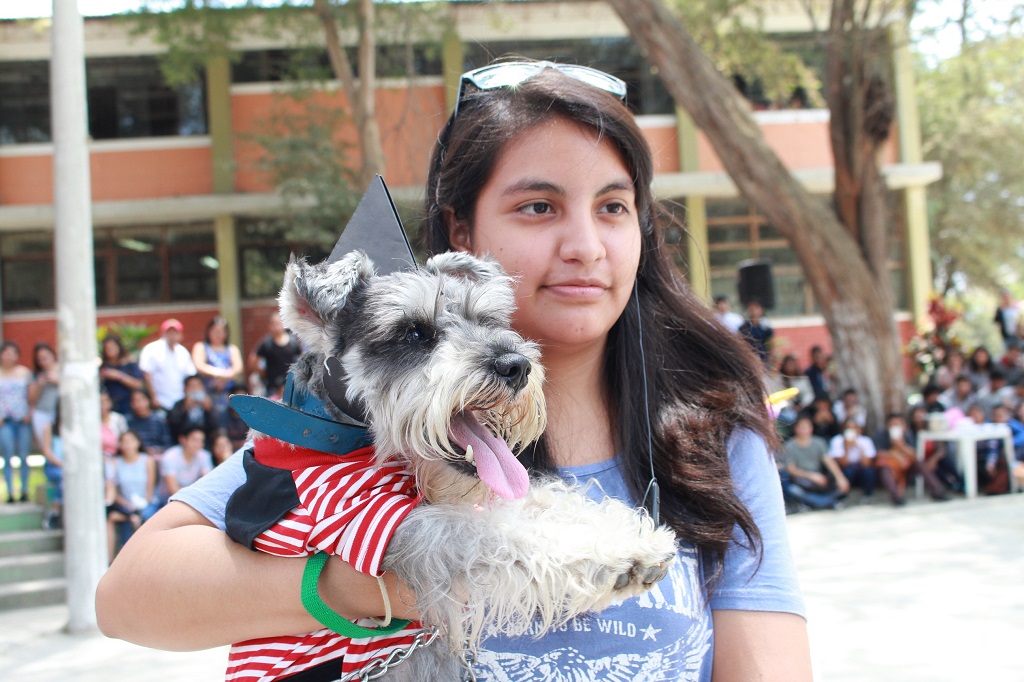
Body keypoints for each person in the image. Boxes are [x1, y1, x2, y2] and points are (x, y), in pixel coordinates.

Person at [97, 61, 811, 680]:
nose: (586, 246)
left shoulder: (716, 427)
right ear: (463, 235)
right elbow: (126, 599)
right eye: (539, 206)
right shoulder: (358, 438)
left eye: (614, 207)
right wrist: (360, 587)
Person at [871, 413, 950, 506]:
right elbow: (877, 453)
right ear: (887, 426)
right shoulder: (880, 435)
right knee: (884, 468)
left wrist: (901, 445)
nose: (895, 427)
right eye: (893, 425)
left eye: (898, 425)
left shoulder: (908, 435)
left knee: (920, 463)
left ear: (904, 426)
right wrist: (896, 456)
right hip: (890, 465)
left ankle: (937, 492)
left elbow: (914, 454)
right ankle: (896, 497)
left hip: (906, 464)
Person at [105, 430, 160, 561]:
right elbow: (114, 491)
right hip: (125, 505)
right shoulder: (114, 462)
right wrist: (128, 506)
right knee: (121, 517)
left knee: (143, 517)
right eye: (124, 442)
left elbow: (150, 488)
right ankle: (110, 560)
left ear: (138, 443)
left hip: (147, 503)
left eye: (130, 441)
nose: (127, 445)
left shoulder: (147, 460)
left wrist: (142, 504)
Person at [778, 415, 848, 511]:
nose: (804, 430)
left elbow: (829, 461)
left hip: (819, 478)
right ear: (795, 429)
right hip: (801, 479)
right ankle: (828, 502)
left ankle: (815, 503)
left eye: (806, 427)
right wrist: (812, 476)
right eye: (801, 427)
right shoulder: (790, 446)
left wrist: (840, 478)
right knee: (794, 490)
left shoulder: (819, 442)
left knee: (838, 485)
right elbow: (792, 470)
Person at [191, 316, 243, 430]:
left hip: (228, 393)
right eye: (215, 331)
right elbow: (199, 365)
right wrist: (220, 374)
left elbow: (238, 368)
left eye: (222, 331)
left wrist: (224, 378)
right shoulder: (201, 347)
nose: (218, 334)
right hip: (207, 393)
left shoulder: (232, 349)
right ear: (208, 331)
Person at [0, 341, 34, 503]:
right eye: (6, 352)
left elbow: (32, 396)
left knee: (23, 455)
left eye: (12, 353)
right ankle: (10, 492)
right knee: (7, 457)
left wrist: (29, 413)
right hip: (4, 421)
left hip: (22, 420)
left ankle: (24, 490)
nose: (9, 356)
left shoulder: (24, 373)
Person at [138, 318, 197, 412]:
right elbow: (147, 375)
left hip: (180, 401)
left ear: (181, 335)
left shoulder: (183, 352)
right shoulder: (151, 349)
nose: (172, 335)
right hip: (160, 401)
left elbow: (190, 378)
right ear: (162, 333)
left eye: (175, 332)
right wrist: (153, 398)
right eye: (169, 332)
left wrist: (189, 397)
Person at [247, 312, 302, 400]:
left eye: (278, 323)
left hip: (291, 385)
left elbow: (302, 358)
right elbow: (253, 361)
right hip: (272, 387)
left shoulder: (293, 342)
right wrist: (264, 372)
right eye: (274, 324)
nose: (276, 327)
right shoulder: (266, 343)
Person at [155, 427, 213, 504]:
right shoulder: (170, 456)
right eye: (194, 440)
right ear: (183, 439)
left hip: (193, 499)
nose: (198, 444)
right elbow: (173, 489)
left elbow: (208, 484)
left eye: (201, 441)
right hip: (166, 499)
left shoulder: (204, 455)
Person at [828, 418, 878, 501]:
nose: (851, 431)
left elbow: (866, 463)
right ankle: (843, 496)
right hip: (846, 469)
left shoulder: (865, 440)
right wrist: (846, 448)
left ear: (859, 430)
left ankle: (868, 495)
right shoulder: (837, 440)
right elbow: (843, 463)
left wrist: (858, 446)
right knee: (848, 471)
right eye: (848, 428)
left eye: (854, 428)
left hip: (861, 468)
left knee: (869, 472)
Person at [99, 334, 145, 417]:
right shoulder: (103, 367)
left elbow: (138, 384)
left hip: (129, 406)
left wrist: (118, 376)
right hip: (111, 408)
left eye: (112, 347)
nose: (110, 350)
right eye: (107, 348)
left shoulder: (129, 364)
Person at [166, 375, 216, 445]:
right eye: (192, 386)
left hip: (206, 442)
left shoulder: (209, 403)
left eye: (198, 386)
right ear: (185, 389)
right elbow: (174, 427)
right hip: (183, 443)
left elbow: (214, 428)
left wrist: (209, 411)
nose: (195, 389)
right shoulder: (179, 405)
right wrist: (185, 409)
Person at [28, 342, 60, 451]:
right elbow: (31, 399)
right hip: (42, 412)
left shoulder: (63, 370)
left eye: (45, 356)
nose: (44, 360)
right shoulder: (36, 375)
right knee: (46, 447)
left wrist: (57, 381)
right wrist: (39, 384)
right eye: (40, 359)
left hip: (61, 413)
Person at [125, 389, 173, 456]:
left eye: (142, 400)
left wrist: (157, 451)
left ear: (149, 401)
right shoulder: (128, 421)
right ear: (131, 404)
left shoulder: (159, 420)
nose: (139, 404)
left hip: (158, 456)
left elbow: (167, 444)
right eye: (136, 401)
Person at [738, 299, 773, 366]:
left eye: (756, 307)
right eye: (751, 308)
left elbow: (771, 345)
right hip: (748, 360)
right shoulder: (743, 328)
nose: (753, 310)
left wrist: (770, 360)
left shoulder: (766, 327)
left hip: (764, 360)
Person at [99, 390, 128, 459]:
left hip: (117, 457)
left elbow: (125, 439)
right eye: (100, 402)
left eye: (105, 401)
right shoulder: (91, 420)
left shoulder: (118, 419)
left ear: (110, 402)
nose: (102, 405)